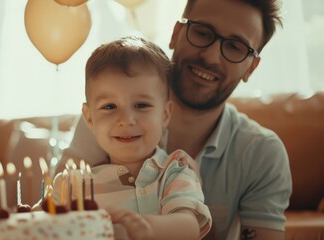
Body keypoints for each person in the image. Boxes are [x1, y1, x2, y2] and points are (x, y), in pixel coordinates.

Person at [61, 0, 292, 239]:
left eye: (235, 47)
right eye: (202, 32)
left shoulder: (262, 153)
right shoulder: (109, 119)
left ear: (251, 68)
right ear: (176, 34)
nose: (212, 56)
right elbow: (54, 214)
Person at [54, 36, 211, 240]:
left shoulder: (175, 171)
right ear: (90, 118)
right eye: (109, 106)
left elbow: (188, 227)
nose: (126, 120)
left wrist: (142, 228)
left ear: (164, 114)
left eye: (141, 105)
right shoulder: (72, 187)